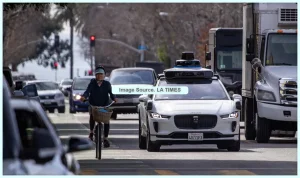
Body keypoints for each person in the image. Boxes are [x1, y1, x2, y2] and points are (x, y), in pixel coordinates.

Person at [80, 65, 117, 148]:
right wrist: (84, 97)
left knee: (106, 120)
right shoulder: (92, 83)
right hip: (93, 104)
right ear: (95, 75)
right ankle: (91, 132)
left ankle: (105, 138)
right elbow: (87, 91)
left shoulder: (107, 84)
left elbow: (111, 93)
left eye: (101, 74)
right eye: (97, 74)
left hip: (104, 105)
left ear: (104, 75)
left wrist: (114, 98)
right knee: (92, 116)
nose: (99, 76)